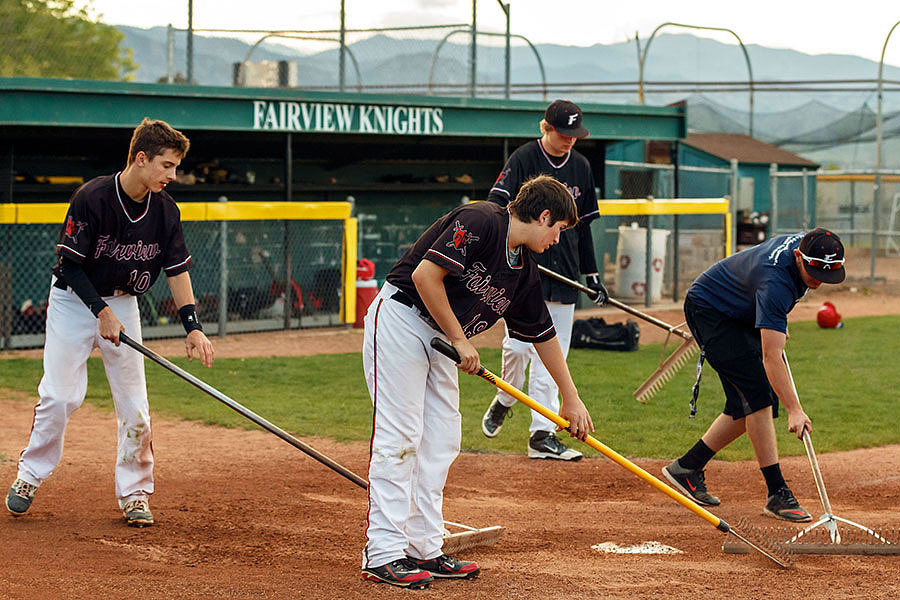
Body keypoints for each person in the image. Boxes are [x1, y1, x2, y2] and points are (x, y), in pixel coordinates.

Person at [360, 174, 594, 589]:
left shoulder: (524, 269)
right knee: (401, 439)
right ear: (543, 217)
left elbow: (542, 334)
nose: (558, 240)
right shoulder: (482, 219)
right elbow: (424, 277)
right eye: (559, 230)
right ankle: (382, 553)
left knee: (442, 439)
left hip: (442, 340)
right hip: (401, 321)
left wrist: (570, 398)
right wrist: (458, 337)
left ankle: (424, 548)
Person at [5, 118, 215, 528]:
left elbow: (176, 271)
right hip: (73, 301)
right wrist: (100, 312)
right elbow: (70, 265)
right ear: (141, 158)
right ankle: (29, 475)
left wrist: (192, 325)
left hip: (124, 303)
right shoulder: (93, 197)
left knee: (135, 407)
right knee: (61, 397)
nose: (173, 175)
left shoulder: (166, 210)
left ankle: (135, 493)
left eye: (175, 167)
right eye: (167, 165)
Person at [662, 228, 846, 522]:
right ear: (798, 255)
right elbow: (771, 357)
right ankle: (777, 493)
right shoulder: (775, 282)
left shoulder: (807, 245)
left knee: (748, 401)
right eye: (814, 271)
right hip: (712, 310)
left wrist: (775, 318)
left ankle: (687, 467)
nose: (820, 279)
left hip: (740, 308)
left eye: (829, 271)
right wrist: (794, 410)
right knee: (758, 400)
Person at [480, 99, 607, 461]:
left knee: (553, 357)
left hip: (564, 273)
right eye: (563, 134)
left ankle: (542, 433)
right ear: (546, 128)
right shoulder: (523, 158)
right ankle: (506, 396)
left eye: (575, 135)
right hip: (523, 268)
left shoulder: (581, 166)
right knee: (518, 348)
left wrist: (592, 274)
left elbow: (583, 230)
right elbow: (498, 205)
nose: (569, 141)